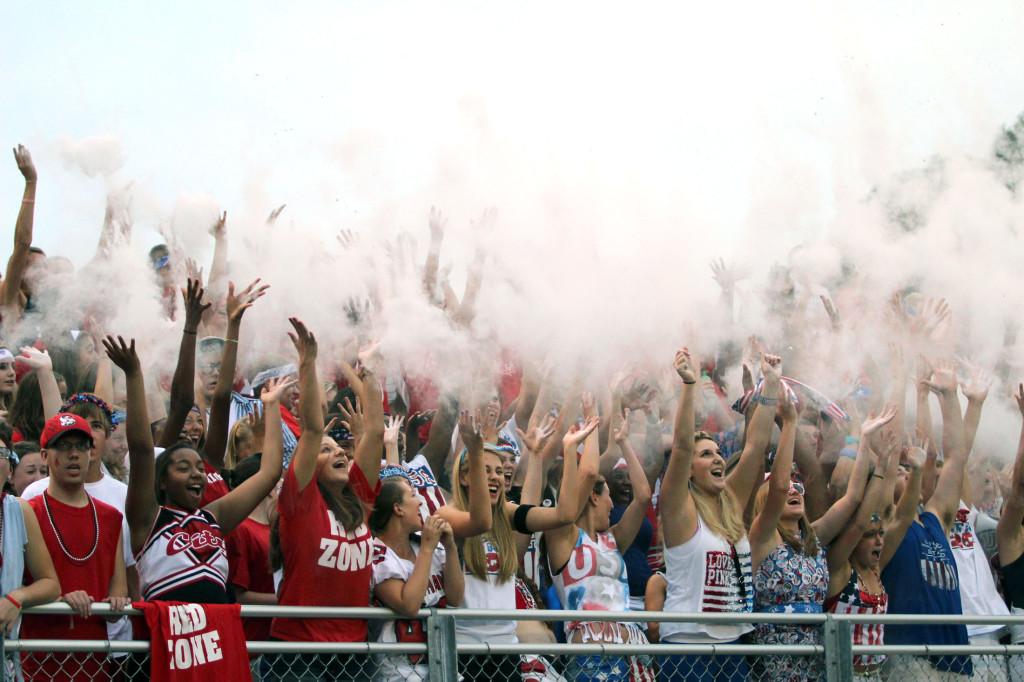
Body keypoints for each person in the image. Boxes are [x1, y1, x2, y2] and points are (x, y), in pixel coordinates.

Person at [104, 334, 285, 605]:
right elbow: (142, 449)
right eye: (184, 467)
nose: (197, 474)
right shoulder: (147, 519)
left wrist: (272, 407)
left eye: (200, 467)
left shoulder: (214, 517)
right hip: (168, 638)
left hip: (216, 637)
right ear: (162, 481)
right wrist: (134, 374)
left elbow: (269, 473)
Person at [268, 319, 384, 682]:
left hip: (354, 655)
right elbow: (314, 429)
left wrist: (370, 379)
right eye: (325, 450)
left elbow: (376, 431)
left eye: (340, 449)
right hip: (300, 658)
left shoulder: (358, 500)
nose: (338, 452)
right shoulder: (300, 501)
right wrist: (308, 364)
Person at [657, 349, 779, 682]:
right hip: (687, 646)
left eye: (718, 453)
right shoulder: (678, 508)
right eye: (706, 454)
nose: (717, 459)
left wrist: (770, 385)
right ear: (689, 471)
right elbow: (681, 447)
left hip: (733, 646)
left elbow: (755, 446)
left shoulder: (730, 502)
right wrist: (689, 386)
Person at [442, 406, 581, 682]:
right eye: (485, 470)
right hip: (465, 650)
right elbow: (480, 521)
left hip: (506, 648)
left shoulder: (505, 514)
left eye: (498, 471)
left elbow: (565, 514)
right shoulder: (447, 513)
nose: (495, 477)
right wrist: (476, 448)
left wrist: (569, 449)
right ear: (465, 477)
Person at [20, 412, 131, 682]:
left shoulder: (110, 516)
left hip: (93, 658)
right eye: (64, 446)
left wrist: (117, 602)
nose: (74, 455)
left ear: (91, 453)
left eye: (81, 446)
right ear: (45, 456)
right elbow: (13, 583)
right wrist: (60, 599)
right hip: (39, 658)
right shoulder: (26, 512)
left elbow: (119, 588)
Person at [546, 406, 654, 682]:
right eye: (608, 497)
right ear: (594, 498)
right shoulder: (562, 535)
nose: (613, 505)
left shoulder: (613, 538)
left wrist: (624, 443)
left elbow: (643, 496)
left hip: (631, 649)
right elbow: (590, 472)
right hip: (590, 654)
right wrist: (592, 426)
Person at [881, 360, 973, 678]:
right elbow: (898, 505)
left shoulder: (936, 520)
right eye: (901, 471)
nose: (908, 472)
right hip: (909, 660)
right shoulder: (886, 528)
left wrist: (949, 398)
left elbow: (957, 458)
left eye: (911, 469)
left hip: (956, 658)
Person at [369, 476, 464, 682]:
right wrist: (427, 549)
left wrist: (450, 547)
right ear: (398, 509)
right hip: (398, 671)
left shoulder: (425, 544)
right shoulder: (378, 554)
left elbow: (456, 598)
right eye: (412, 495)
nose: (420, 501)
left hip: (441, 663)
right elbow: (409, 605)